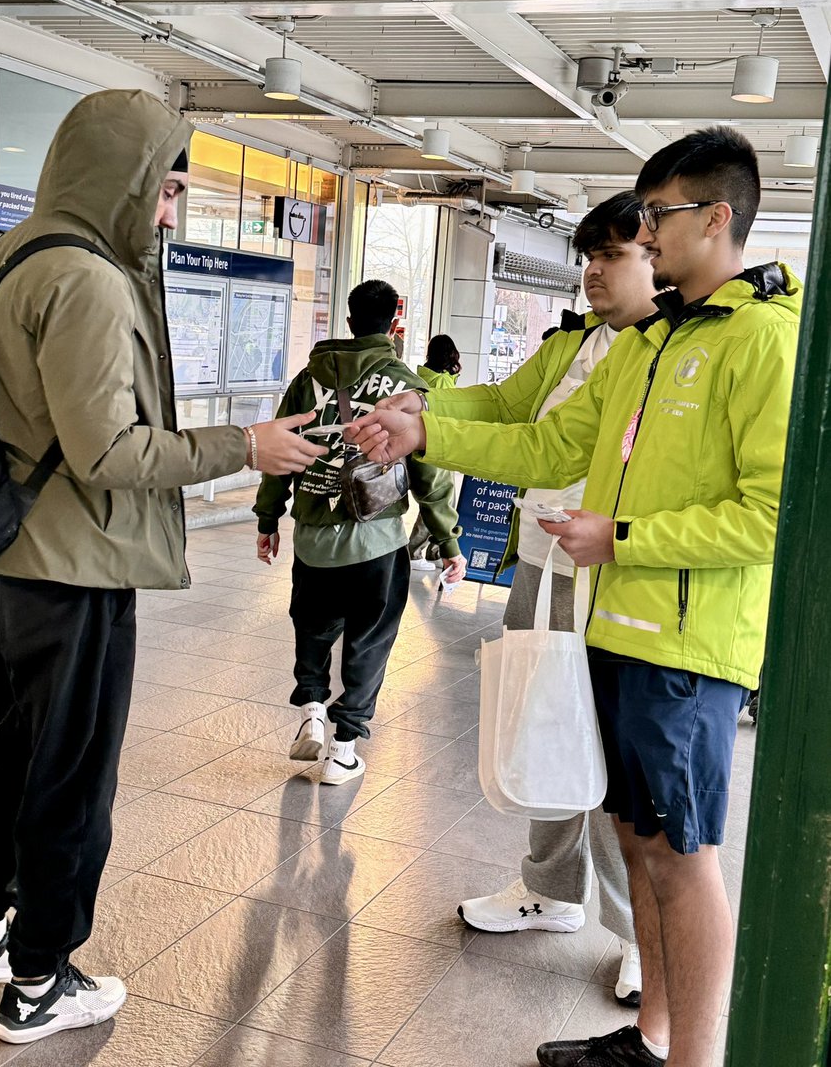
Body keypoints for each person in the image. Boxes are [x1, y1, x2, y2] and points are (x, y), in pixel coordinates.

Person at [351, 128, 800, 1067]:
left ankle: (694, 1059)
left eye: (655, 218)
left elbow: (771, 515)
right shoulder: (648, 343)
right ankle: (652, 1036)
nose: (641, 237)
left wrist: (624, 539)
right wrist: (424, 433)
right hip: (614, 627)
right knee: (637, 846)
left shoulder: (765, 343)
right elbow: (546, 445)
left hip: (688, 649)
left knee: (684, 860)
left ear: (719, 218)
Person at [0, 89, 325, 1045]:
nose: (167, 211)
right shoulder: (94, 284)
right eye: (164, 190)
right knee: (73, 773)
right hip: (78, 562)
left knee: (21, 747)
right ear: (124, 178)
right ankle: (40, 979)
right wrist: (247, 447)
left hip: (14, 550)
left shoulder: (13, 252)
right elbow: (111, 452)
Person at [422, 193, 656, 1009]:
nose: (592, 271)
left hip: (606, 579)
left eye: (612, 255)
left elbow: (545, 445)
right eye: (587, 256)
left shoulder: (658, 354)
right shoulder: (582, 344)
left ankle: (637, 938)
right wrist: (422, 401)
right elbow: (507, 407)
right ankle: (552, 892)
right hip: (539, 560)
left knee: (604, 757)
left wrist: (426, 434)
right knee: (541, 731)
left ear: (655, 255)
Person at [253, 279, 466, 784]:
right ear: (394, 323)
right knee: (369, 641)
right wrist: (447, 539)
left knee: (313, 624)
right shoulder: (404, 385)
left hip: (312, 538)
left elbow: (278, 448)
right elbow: (427, 471)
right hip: (376, 539)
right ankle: (344, 749)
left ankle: (311, 708)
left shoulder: (310, 377)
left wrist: (268, 517)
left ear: (347, 322)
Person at [410, 333, 462, 565]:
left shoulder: (421, 377)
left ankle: (433, 550)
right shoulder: (442, 382)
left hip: (422, 443)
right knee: (439, 501)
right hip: (438, 446)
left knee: (434, 500)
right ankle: (415, 549)